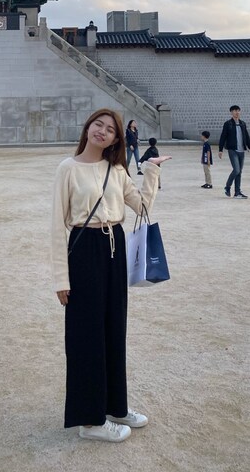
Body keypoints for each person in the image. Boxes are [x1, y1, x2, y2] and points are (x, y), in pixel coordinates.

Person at [51, 109, 171, 443]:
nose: (102, 131)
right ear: (88, 127)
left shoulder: (116, 170)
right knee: (86, 335)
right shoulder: (68, 168)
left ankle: (115, 406)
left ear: (116, 139)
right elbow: (56, 226)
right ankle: (90, 421)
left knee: (115, 330)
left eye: (110, 129)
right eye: (98, 125)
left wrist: (151, 170)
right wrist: (61, 278)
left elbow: (142, 206)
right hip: (84, 248)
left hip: (115, 246)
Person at [218, 105, 250, 199]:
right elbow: (223, 137)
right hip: (232, 150)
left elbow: (246, 137)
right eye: (235, 111)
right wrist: (220, 150)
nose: (237, 112)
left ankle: (237, 193)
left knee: (239, 172)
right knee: (236, 170)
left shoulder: (242, 124)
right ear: (231, 112)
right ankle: (227, 186)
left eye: (238, 110)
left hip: (242, 151)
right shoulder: (228, 124)